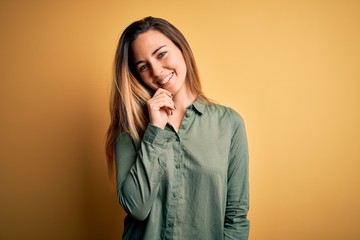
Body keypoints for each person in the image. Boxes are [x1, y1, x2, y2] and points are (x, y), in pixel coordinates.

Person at [105, 16, 250, 240]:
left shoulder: (229, 124)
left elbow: (236, 217)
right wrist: (155, 130)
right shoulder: (130, 129)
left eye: (161, 54)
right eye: (143, 66)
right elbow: (136, 207)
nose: (156, 71)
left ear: (181, 48)